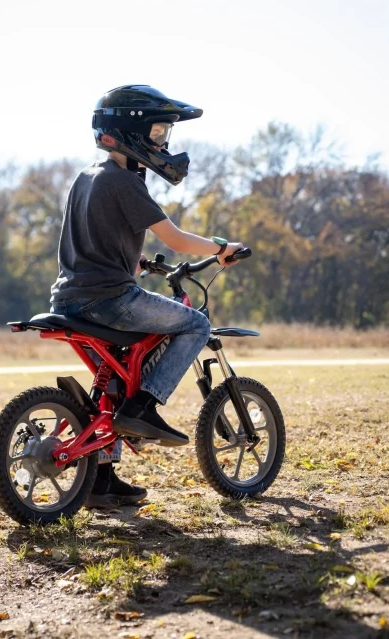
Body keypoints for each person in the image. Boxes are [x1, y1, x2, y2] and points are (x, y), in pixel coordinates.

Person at [50, 85, 244, 507]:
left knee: (115, 379)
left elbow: (93, 240)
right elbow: (173, 238)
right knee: (194, 323)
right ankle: (145, 407)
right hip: (110, 299)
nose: (163, 144)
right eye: (158, 133)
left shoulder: (87, 177)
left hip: (68, 299)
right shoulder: (124, 182)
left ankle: (100, 479)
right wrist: (220, 248)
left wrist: (134, 262)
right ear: (127, 132)